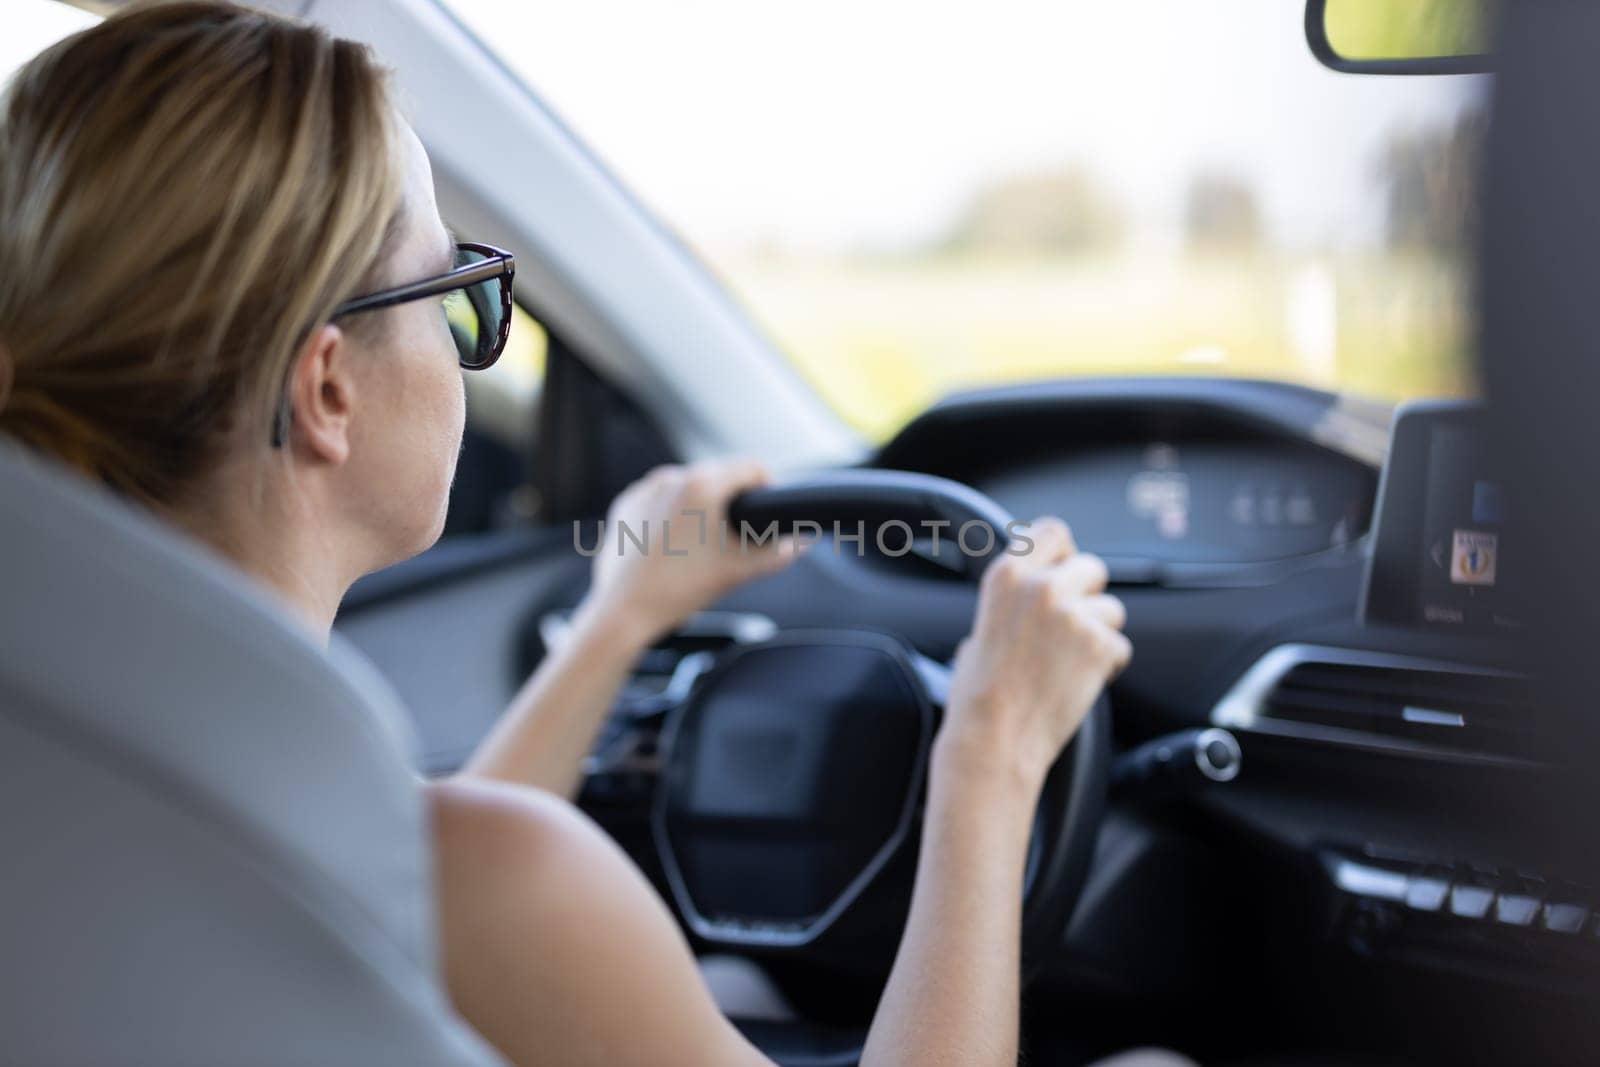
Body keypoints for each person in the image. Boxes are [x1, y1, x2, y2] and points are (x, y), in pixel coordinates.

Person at [0, 4, 1147, 1065]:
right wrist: (993, 749)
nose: (465, 337)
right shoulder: (487, 878)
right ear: (327, 390)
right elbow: (473, 882)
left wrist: (619, 618)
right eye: (455, 292)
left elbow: (424, 891)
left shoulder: (98, 780)